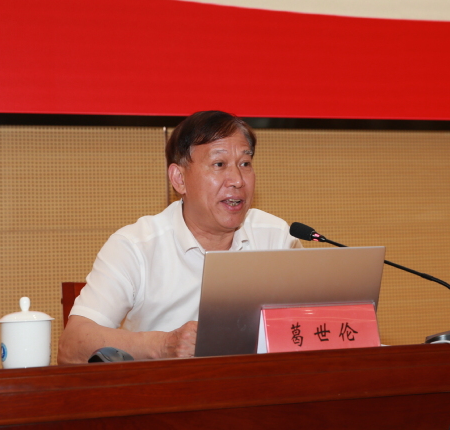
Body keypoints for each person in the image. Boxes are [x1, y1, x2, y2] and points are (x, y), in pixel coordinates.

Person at [57, 111, 300, 363]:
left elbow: (310, 328)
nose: (237, 180)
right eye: (219, 164)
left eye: (245, 163)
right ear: (179, 179)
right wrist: (163, 346)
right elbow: (71, 346)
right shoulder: (136, 246)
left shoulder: (277, 237)